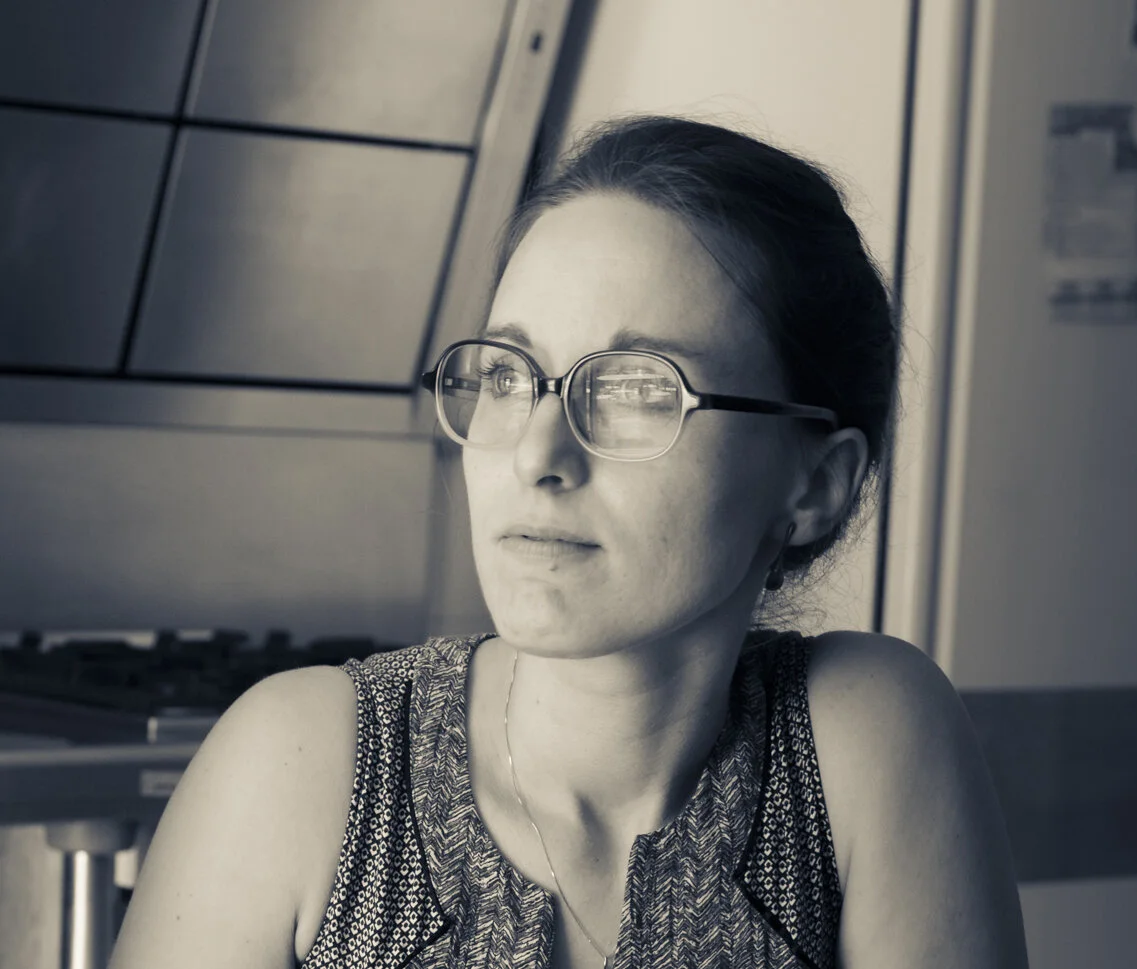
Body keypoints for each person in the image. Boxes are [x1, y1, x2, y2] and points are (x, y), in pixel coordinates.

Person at [109, 116, 1029, 969]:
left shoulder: (857, 742)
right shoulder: (301, 766)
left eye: (635, 390)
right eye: (508, 377)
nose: (537, 456)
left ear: (815, 484)